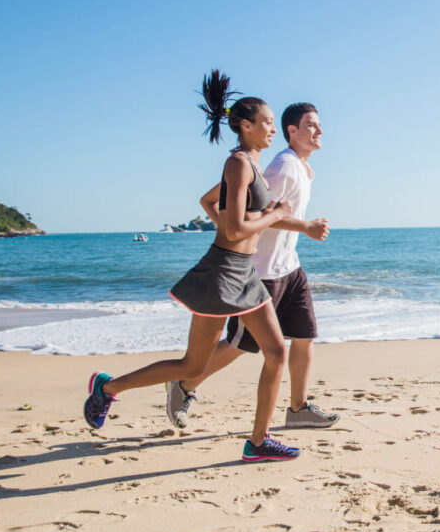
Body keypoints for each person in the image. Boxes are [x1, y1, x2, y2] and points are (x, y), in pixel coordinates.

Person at [83, 70, 299, 463]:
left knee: (276, 351)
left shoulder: (250, 163)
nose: (272, 129)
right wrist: (274, 214)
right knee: (192, 364)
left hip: (244, 273)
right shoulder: (237, 163)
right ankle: (107, 388)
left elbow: (210, 205)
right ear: (246, 125)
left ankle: (258, 441)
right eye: (267, 123)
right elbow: (233, 230)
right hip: (221, 275)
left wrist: (264, 217)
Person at [165, 102, 337, 430]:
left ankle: (298, 408)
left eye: (319, 124)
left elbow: (246, 208)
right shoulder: (282, 167)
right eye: (312, 125)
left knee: (304, 335)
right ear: (293, 131)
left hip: (290, 268)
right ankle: (185, 384)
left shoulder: (302, 167)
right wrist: (305, 227)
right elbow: (257, 217)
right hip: (262, 272)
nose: (320, 131)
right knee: (241, 344)